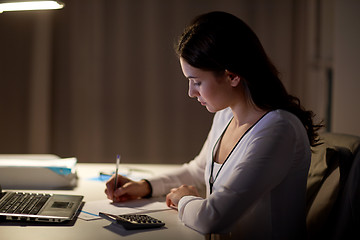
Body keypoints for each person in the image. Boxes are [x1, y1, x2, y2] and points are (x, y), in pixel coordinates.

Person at [105, 11, 322, 239]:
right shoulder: (226, 115)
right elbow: (197, 172)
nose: (191, 92)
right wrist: (145, 186)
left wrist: (184, 199)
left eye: (197, 82)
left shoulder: (279, 130)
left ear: (232, 76)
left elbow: (214, 217)